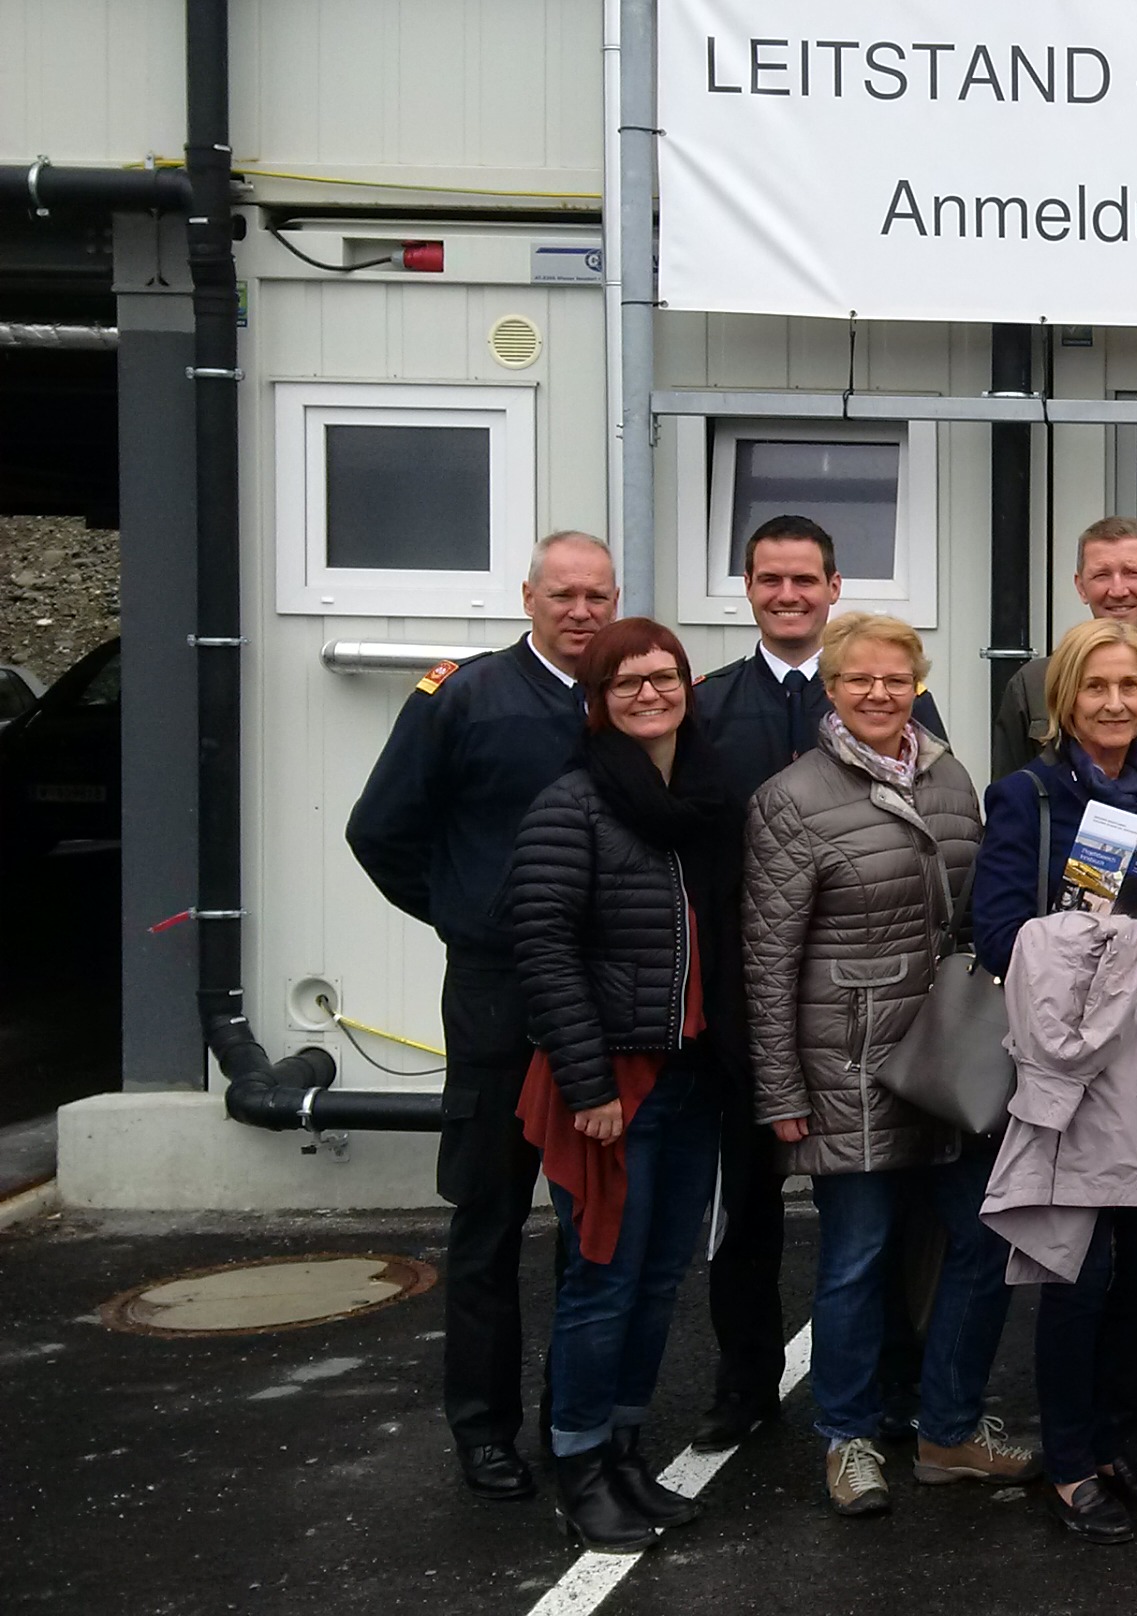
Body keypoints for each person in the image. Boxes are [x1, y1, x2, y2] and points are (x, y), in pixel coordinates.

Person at [346, 530, 618, 1502]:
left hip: (601, 995)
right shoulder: (464, 696)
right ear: (528, 597)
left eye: (597, 596)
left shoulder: (625, 699)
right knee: (491, 1219)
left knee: (594, 1221)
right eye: (564, 595)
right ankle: (484, 1430)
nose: (581, 611)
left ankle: (579, 1422)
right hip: (498, 993)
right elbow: (379, 830)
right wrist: (465, 910)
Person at [739, 613, 1025, 1518]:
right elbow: (768, 959)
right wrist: (780, 1090)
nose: (877, 694)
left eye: (894, 679)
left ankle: (946, 1427)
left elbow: (980, 918)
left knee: (979, 1242)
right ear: (830, 688)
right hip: (848, 1066)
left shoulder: (949, 778)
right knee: (858, 1258)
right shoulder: (790, 798)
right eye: (858, 679)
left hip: (947, 1056)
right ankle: (849, 1439)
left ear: (917, 684)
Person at [690, 514, 950, 1453]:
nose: (788, 594)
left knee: (888, 1232)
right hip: (751, 1003)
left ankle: (894, 1390)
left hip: (887, 1026)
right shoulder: (708, 705)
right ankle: (745, 1379)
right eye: (770, 579)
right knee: (751, 1215)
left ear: (833, 587)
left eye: (806, 579)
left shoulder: (925, 733)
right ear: (748, 588)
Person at [501, 618, 740, 1552]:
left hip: (690, 1081)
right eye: (626, 680)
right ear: (597, 701)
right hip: (609, 1089)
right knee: (600, 1281)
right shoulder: (573, 806)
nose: (650, 691)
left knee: (655, 1279)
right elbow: (544, 950)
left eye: (664, 675)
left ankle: (627, 1450)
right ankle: (580, 1465)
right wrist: (588, 1081)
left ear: (688, 685)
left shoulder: (707, 800)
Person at [971, 617, 1137, 1545]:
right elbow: (998, 937)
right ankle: (1068, 1460)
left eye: (1131, 687)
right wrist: (1119, 955)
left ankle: (1112, 1440)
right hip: (1074, 1071)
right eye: (1095, 687)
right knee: (1079, 1268)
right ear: (1062, 701)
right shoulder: (1026, 798)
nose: (1115, 702)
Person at [993, 516, 1137, 779]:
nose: (1118, 590)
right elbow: (1009, 795)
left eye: (1132, 573)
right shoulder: (1035, 683)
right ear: (1081, 587)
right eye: (1102, 575)